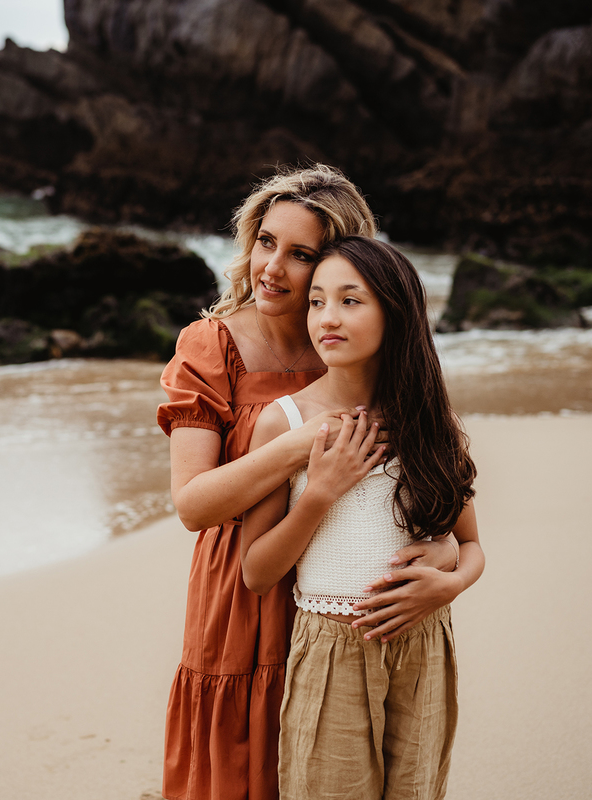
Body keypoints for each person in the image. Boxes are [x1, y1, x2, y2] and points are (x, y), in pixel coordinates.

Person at [157, 167, 462, 800]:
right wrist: (301, 444)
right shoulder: (212, 345)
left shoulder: (353, 350)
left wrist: (452, 553)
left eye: (300, 255)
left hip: (349, 585)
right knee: (247, 763)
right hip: (246, 590)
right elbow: (192, 505)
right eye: (265, 241)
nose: (271, 267)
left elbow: (416, 481)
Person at [240, 236, 485, 800]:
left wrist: (447, 586)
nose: (328, 317)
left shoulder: (427, 418)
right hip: (331, 649)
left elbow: (471, 545)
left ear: (394, 313)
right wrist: (320, 493)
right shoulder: (284, 423)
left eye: (351, 300)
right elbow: (257, 571)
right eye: (317, 301)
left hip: (424, 642)